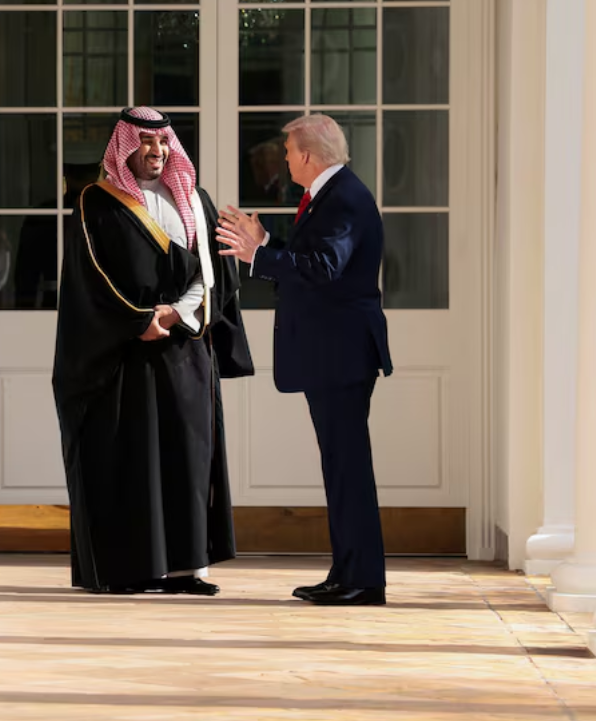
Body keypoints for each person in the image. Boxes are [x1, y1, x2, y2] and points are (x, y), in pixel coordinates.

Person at [52, 106, 254, 596]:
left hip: (184, 351)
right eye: (145, 144)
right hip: (123, 356)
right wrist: (140, 320)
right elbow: (91, 280)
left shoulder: (196, 201)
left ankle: (188, 570)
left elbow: (216, 271)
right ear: (125, 148)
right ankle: (131, 569)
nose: (156, 152)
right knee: (130, 461)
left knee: (187, 459)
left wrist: (178, 314)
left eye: (163, 143)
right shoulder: (96, 204)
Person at [215, 113, 393, 607]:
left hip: (341, 355)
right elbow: (314, 261)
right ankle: (348, 572)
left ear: (309, 155)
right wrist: (268, 244)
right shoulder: (329, 196)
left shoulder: (344, 199)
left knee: (347, 467)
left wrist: (256, 255)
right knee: (341, 466)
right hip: (333, 354)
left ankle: (361, 580)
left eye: (290, 150)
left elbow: (322, 269)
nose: (286, 157)